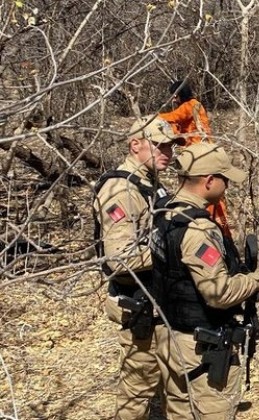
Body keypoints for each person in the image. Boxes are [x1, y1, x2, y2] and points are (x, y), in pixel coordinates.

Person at [151, 142, 259, 419]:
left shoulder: (163, 213)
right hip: (201, 345)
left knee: (180, 410)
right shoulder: (198, 229)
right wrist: (253, 282)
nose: (226, 186)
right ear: (209, 181)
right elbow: (218, 293)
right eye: (224, 179)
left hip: (170, 336)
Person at [93, 115, 180, 419]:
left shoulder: (149, 182)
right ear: (135, 145)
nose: (167, 153)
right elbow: (119, 259)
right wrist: (176, 253)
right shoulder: (121, 189)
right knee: (136, 391)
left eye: (171, 146)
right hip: (140, 304)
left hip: (159, 301)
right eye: (159, 146)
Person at [159, 81, 233, 238]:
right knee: (217, 202)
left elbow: (173, 117)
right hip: (205, 152)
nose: (173, 99)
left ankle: (220, 231)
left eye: (175, 95)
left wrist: (154, 117)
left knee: (209, 201)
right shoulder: (196, 104)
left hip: (199, 156)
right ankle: (224, 231)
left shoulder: (190, 105)